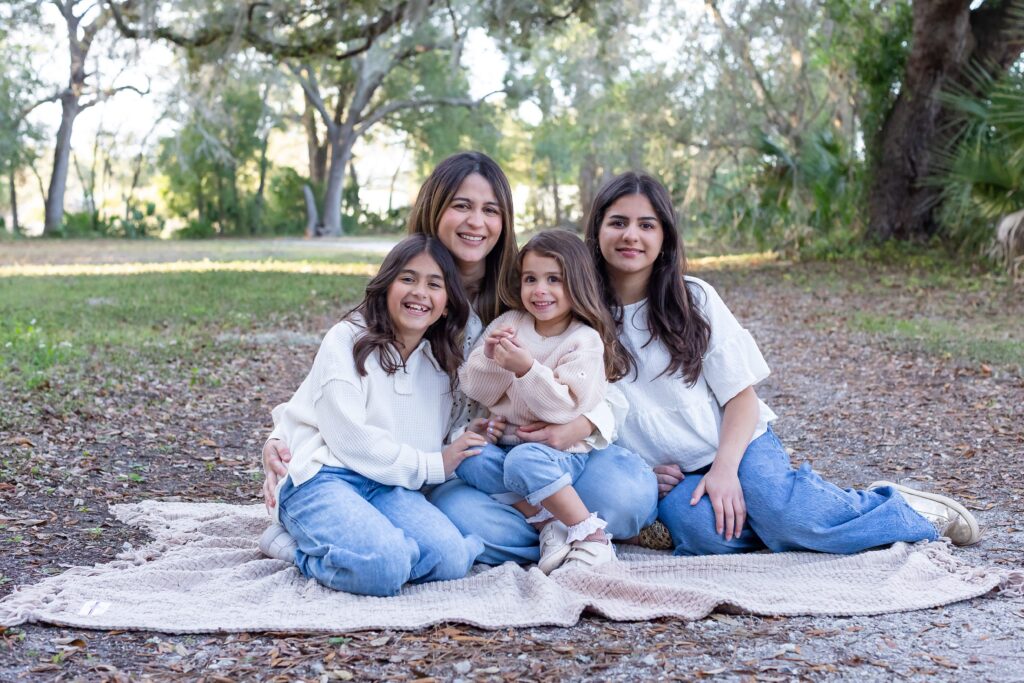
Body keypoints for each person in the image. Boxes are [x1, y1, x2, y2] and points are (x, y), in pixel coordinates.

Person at [261, 152, 658, 567]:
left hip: (548, 449)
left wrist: (580, 424)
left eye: (490, 210)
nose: (476, 222)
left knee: (626, 496)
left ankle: (557, 527)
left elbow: (603, 385)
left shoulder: (529, 290)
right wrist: (280, 437)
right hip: (464, 467)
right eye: (461, 206)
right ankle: (553, 528)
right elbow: (334, 383)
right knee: (463, 520)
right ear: (435, 209)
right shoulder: (408, 297)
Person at [582, 171, 981, 554]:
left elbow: (741, 399)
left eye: (646, 225)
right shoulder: (581, 315)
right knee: (705, 534)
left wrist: (724, 470)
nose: (631, 235)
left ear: (665, 236)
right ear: (597, 230)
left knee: (784, 512)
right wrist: (640, 474)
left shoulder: (693, 300)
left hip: (738, 443)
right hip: (675, 474)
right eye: (618, 222)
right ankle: (809, 514)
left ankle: (905, 512)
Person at [259, 234, 487, 596]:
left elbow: (434, 438)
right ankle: (292, 546)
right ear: (386, 287)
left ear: (446, 305)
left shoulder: (442, 367)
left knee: (452, 559)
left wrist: (464, 437)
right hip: (325, 477)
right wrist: (433, 465)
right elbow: (350, 438)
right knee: (384, 567)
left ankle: (381, 549)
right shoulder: (347, 339)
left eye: (434, 284)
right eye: (408, 279)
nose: (419, 293)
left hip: (390, 486)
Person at [456, 231, 632, 573]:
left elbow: (564, 407)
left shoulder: (583, 340)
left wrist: (526, 369)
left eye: (554, 280)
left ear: (577, 284)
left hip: (559, 455)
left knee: (523, 462)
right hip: (508, 448)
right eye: (531, 279)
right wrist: (491, 358)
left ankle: (591, 535)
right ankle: (548, 522)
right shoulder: (509, 323)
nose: (540, 290)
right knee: (469, 455)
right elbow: (476, 388)